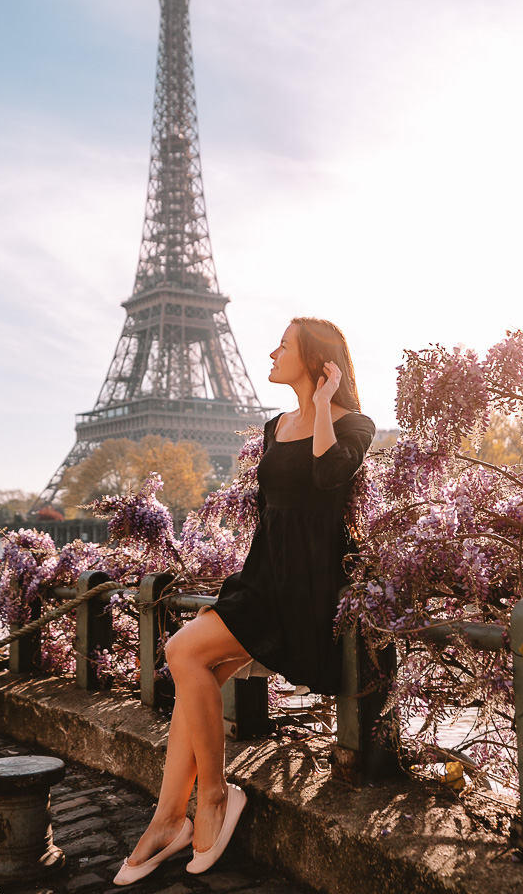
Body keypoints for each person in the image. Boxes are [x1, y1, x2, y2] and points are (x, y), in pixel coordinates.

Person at [113, 317, 376, 885]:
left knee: (183, 653)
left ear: (316, 359)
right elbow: (269, 515)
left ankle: (213, 796)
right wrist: (241, 587)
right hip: (262, 579)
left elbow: (329, 477)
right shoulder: (272, 426)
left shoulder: (355, 424)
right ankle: (166, 820)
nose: (272, 351)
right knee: (192, 676)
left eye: (284, 344)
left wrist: (327, 401)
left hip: (307, 587)